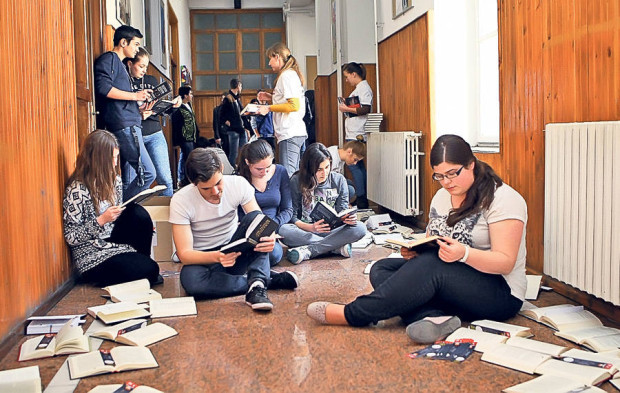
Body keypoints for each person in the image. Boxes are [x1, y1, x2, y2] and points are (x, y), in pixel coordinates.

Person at [306, 135, 527, 344]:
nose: (446, 182)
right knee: (382, 269)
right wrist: (416, 251)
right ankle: (433, 318)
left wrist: (464, 254)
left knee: (432, 266)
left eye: (452, 173)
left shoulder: (503, 199)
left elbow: (505, 262)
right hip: (452, 279)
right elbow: (433, 239)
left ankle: (355, 313)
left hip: (500, 293)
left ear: (471, 165)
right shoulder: (442, 196)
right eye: (439, 176)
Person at [169, 148, 299, 311]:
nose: (215, 192)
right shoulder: (181, 200)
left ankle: (257, 287)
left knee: (266, 237)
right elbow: (185, 254)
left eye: (218, 183)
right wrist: (216, 257)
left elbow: (260, 222)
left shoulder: (238, 184)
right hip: (205, 257)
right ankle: (266, 281)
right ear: (193, 183)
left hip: (236, 249)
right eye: (206, 189)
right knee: (192, 283)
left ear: (221, 169)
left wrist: (269, 237)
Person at [63, 130, 161, 287]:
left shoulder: (114, 181)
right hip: (91, 252)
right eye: (112, 158)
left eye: (116, 157)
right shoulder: (77, 189)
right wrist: (101, 220)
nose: (115, 163)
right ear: (100, 160)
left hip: (113, 241)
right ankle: (136, 271)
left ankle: (141, 264)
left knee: (137, 213)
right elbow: (71, 236)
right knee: (150, 270)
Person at [94, 25, 156, 201]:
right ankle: (121, 210)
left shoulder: (119, 65)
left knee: (130, 178)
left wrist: (139, 110)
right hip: (125, 126)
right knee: (148, 173)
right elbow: (103, 88)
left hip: (131, 123)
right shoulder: (110, 59)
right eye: (135, 44)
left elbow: (120, 99)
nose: (137, 49)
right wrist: (135, 95)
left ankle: (122, 211)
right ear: (123, 42)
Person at [279, 143, 367, 264]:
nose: (324, 173)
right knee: (284, 230)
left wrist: (348, 218)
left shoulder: (339, 180)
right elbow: (292, 216)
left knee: (360, 228)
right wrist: (311, 227)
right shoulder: (297, 180)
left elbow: (342, 211)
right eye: (319, 169)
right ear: (309, 168)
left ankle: (310, 250)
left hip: (332, 230)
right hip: (306, 231)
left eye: (327, 167)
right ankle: (335, 247)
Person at [125, 48, 182, 196]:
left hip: (155, 132)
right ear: (130, 63)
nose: (144, 70)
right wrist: (138, 114)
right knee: (134, 181)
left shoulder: (151, 80)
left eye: (146, 66)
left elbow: (161, 110)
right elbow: (120, 110)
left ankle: (169, 214)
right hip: (133, 135)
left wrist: (172, 106)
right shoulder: (123, 82)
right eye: (141, 66)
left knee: (165, 178)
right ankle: (134, 214)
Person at [237, 139, 293, 266]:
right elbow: (237, 213)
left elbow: (288, 210)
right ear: (247, 162)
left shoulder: (280, 171)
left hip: (273, 230)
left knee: (274, 254)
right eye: (259, 169)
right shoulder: (240, 179)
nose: (265, 172)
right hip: (247, 230)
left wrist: (272, 226)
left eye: (268, 167)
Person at [257, 43, 307, 177]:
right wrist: (271, 97)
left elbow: (293, 105)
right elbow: (287, 102)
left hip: (289, 133)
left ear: (277, 57)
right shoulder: (290, 74)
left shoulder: (286, 75)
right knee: (296, 176)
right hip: (294, 132)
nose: (269, 63)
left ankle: (290, 199)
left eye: (270, 59)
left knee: (288, 176)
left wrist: (268, 108)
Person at [338, 62, 373, 208]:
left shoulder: (364, 88)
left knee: (354, 166)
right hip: (354, 130)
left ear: (354, 74)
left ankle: (361, 198)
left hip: (357, 132)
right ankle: (361, 197)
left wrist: (347, 108)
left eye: (347, 77)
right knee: (357, 167)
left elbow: (365, 108)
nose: (347, 80)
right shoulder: (359, 89)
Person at [219, 79, 252, 166]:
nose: (241, 88)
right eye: (241, 86)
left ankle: (243, 169)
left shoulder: (237, 99)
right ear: (237, 86)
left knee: (244, 152)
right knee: (234, 153)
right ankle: (231, 170)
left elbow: (240, 113)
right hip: (233, 130)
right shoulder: (228, 98)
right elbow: (222, 115)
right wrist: (230, 124)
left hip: (241, 129)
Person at [172, 86, 199, 186]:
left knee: (188, 158)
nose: (192, 96)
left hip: (192, 137)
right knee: (187, 159)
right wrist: (176, 141)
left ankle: (187, 178)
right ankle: (185, 180)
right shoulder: (178, 108)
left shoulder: (189, 105)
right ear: (185, 95)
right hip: (184, 138)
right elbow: (176, 125)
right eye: (190, 94)